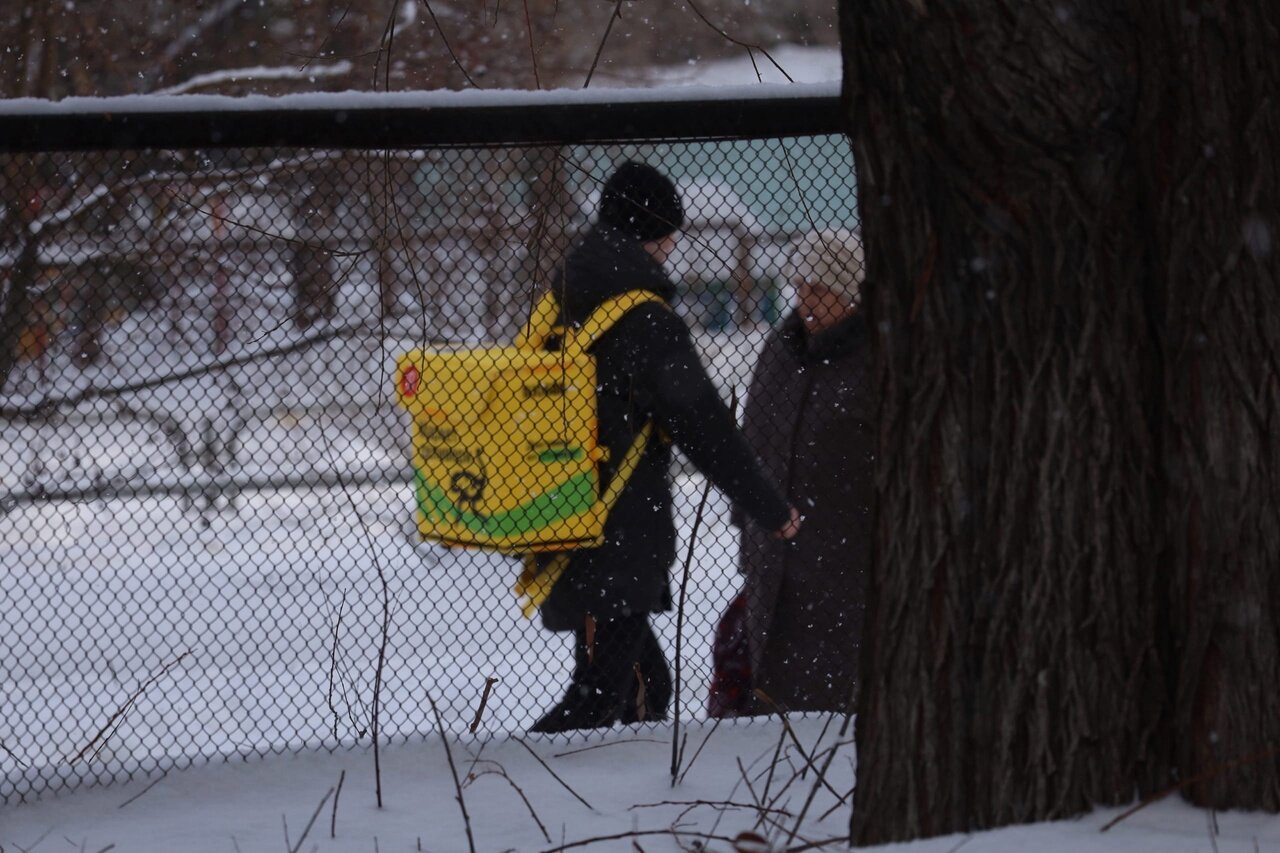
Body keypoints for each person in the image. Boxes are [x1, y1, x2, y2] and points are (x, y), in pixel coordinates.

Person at [528, 161, 801, 733]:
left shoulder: (564, 295)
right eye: (670, 233)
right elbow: (705, 428)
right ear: (653, 232)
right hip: (619, 524)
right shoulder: (644, 317)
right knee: (601, 695)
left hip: (562, 505)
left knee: (642, 684)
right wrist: (770, 508)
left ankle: (616, 791)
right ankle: (516, 786)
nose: (674, 245)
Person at [729, 228, 872, 715]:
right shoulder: (781, 350)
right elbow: (752, 438)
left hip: (843, 556)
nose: (807, 299)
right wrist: (745, 520)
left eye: (822, 289)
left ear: (850, 295)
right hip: (771, 553)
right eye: (802, 286)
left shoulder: (871, 358)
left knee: (829, 688)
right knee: (770, 685)